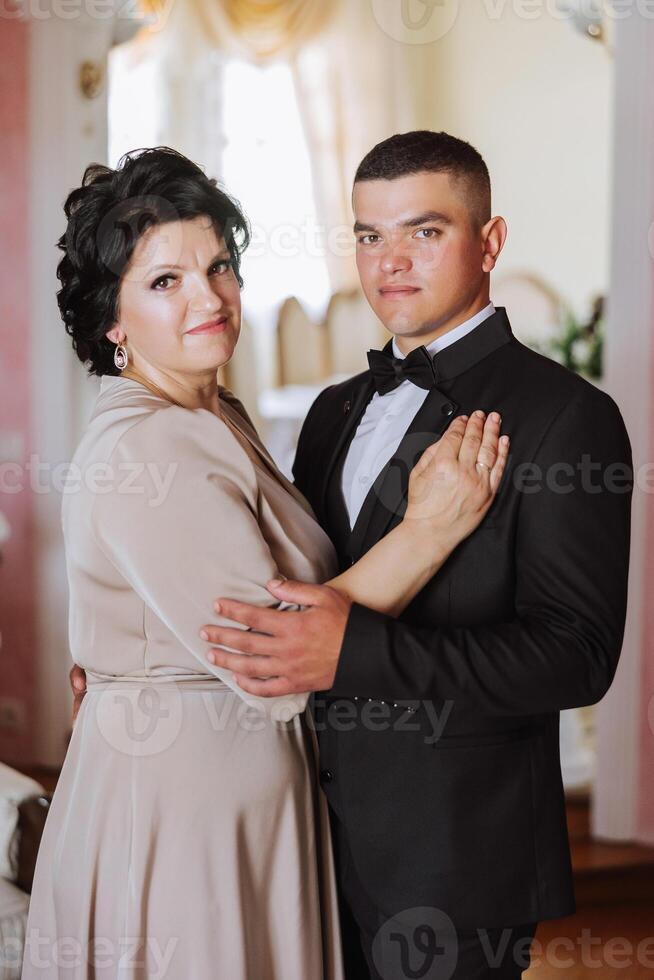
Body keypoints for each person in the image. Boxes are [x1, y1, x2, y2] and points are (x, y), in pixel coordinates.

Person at [26, 146, 508, 980]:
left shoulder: (213, 415)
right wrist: (431, 529)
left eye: (219, 266)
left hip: (231, 795)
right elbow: (277, 650)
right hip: (186, 817)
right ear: (112, 321)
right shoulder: (154, 439)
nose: (209, 297)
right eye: (164, 282)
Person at [191, 132, 633, 979]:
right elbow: (279, 586)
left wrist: (353, 648)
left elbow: (576, 658)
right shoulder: (330, 412)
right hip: (306, 837)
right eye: (369, 235)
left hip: (459, 859)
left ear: (490, 242)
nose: (390, 262)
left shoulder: (566, 418)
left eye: (424, 232)